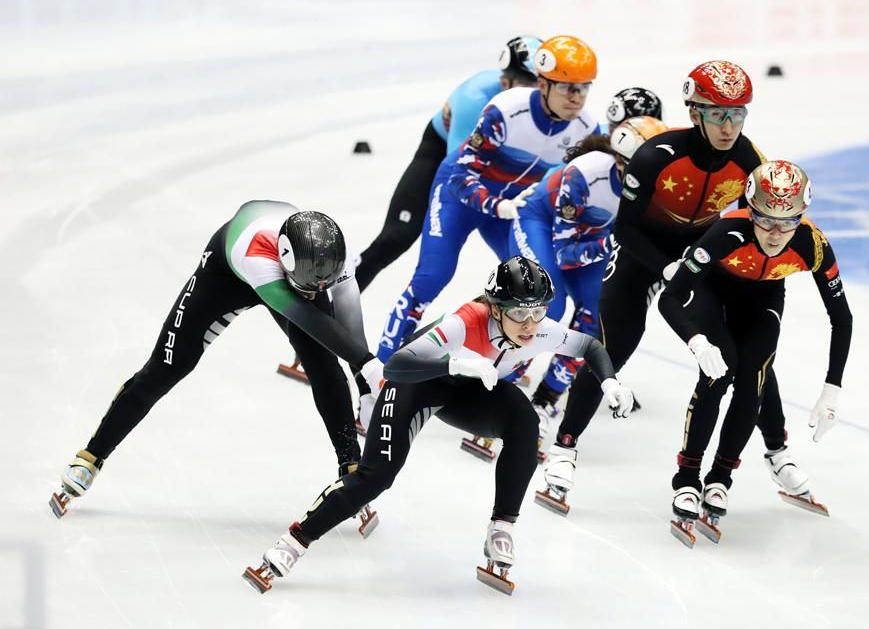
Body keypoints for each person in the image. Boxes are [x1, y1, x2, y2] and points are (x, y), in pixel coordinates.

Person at [242, 257, 636, 595]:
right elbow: (395, 365)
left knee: (525, 424)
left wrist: (609, 380)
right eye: (519, 313)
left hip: (469, 391)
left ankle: (502, 527)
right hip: (418, 383)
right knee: (375, 478)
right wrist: (454, 363)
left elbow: (590, 346)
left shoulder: (539, 327)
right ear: (496, 308)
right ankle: (295, 541)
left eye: (539, 311)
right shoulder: (465, 324)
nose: (531, 324)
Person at [545, 60, 802, 514]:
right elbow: (624, 230)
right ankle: (564, 449)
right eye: (718, 114)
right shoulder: (656, 156)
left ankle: (777, 451)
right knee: (615, 343)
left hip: (705, 250)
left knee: (748, 347)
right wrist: (666, 268)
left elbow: (749, 225)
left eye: (738, 113)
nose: (729, 126)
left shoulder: (748, 161)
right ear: (694, 111)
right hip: (644, 251)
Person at [50, 201, 385, 536]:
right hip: (227, 274)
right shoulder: (254, 254)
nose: (317, 294)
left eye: (322, 287)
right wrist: (366, 363)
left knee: (324, 366)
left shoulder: (333, 256)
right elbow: (304, 315)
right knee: (167, 367)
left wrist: (364, 374)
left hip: (293, 269)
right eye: (310, 288)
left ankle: (350, 466)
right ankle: (91, 456)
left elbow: (349, 315)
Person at [658, 160, 852, 546]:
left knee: (754, 379)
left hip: (764, 297)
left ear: (802, 216)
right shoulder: (727, 231)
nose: (776, 233)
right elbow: (671, 298)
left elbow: (841, 317)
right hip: (714, 292)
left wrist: (832, 389)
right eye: (765, 220)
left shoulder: (812, 243)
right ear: (751, 211)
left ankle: (720, 478)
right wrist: (696, 340)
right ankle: (687, 478)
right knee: (718, 373)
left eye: (788, 221)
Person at [375, 35, 602, 363]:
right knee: (432, 276)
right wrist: (497, 206)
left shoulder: (586, 128)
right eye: (568, 87)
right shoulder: (507, 110)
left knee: (541, 297)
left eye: (584, 87)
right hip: (462, 197)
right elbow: (460, 178)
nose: (577, 97)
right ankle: (382, 368)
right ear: (542, 84)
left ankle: (490, 357)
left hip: (511, 209)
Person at [507, 116, 668, 464]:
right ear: (622, 161)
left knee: (596, 315)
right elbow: (566, 254)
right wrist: (614, 241)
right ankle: (505, 385)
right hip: (542, 221)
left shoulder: (655, 186)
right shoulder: (588, 173)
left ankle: (545, 400)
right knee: (546, 301)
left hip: (592, 237)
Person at [354, 36, 543, 292]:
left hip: (503, 166)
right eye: (523, 86)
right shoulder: (474, 100)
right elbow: (461, 175)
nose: (530, 96)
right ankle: (336, 300)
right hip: (444, 154)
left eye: (539, 86)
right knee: (397, 236)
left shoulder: (552, 106)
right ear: (504, 82)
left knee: (526, 258)